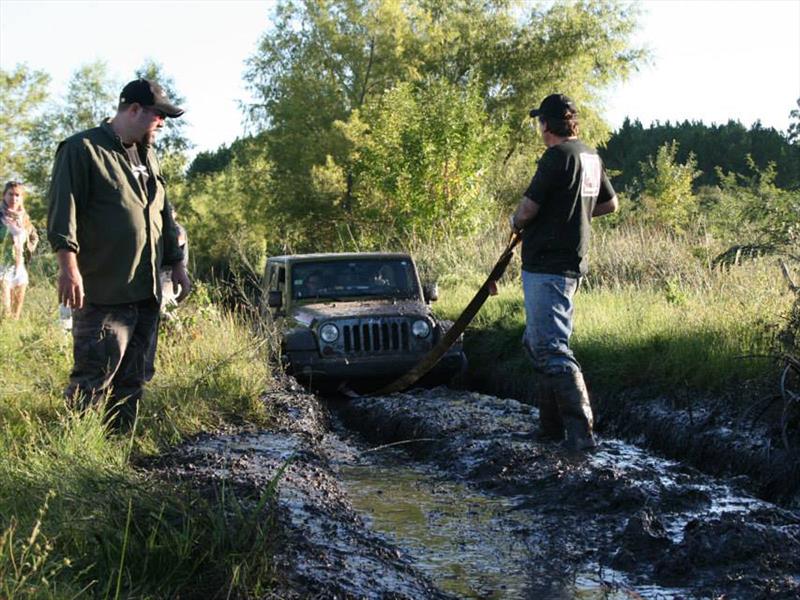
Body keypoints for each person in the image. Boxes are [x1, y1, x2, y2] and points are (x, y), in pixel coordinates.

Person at [47, 78, 191, 431]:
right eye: (159, 116)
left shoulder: (149, 154)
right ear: (134, 110)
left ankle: (118, 452)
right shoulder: (82, 149)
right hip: (102, 291)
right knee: (93, 379)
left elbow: (163, 213)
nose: (162, 124)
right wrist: (68, 268)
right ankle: (77, 455)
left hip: (146, 291)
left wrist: (178, 264)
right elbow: (62, 212)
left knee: (134, 380)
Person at [509, 93, 618, 451]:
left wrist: (516, 221)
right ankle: (551, 428)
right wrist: (576, 214)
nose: (539, 128)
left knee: (551, 346)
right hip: (570, 261)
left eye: (539, 122)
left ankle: (580, 434)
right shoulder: (590, 156)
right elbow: (609, 204)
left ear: (546, 124)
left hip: (547, 263)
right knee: (536, 342)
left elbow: (526, 211)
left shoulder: (556, 157)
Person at [1, 181, 39, 320]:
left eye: (17, 195)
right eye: (10, 194)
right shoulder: (1, 216)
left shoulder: (24, 218)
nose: (14, 198)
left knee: (15, 316)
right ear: (4, 196)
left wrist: (27, 250)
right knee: (5, 311)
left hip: (20, 268)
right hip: (2, 268)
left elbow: (34, 237)